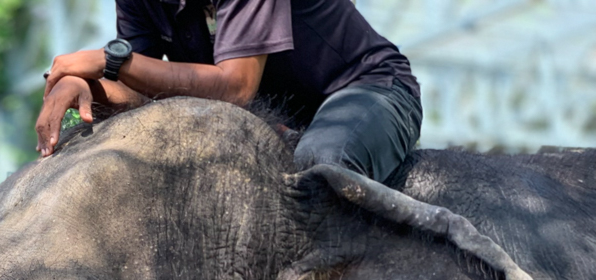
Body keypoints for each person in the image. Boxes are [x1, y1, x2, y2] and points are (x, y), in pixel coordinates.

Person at [35, 0, 422, 186]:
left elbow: (236, 87)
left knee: (320, 167)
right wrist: (84, 84)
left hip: (369, 88)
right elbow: (141, 88)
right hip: (281, 118)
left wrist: (111, 61)